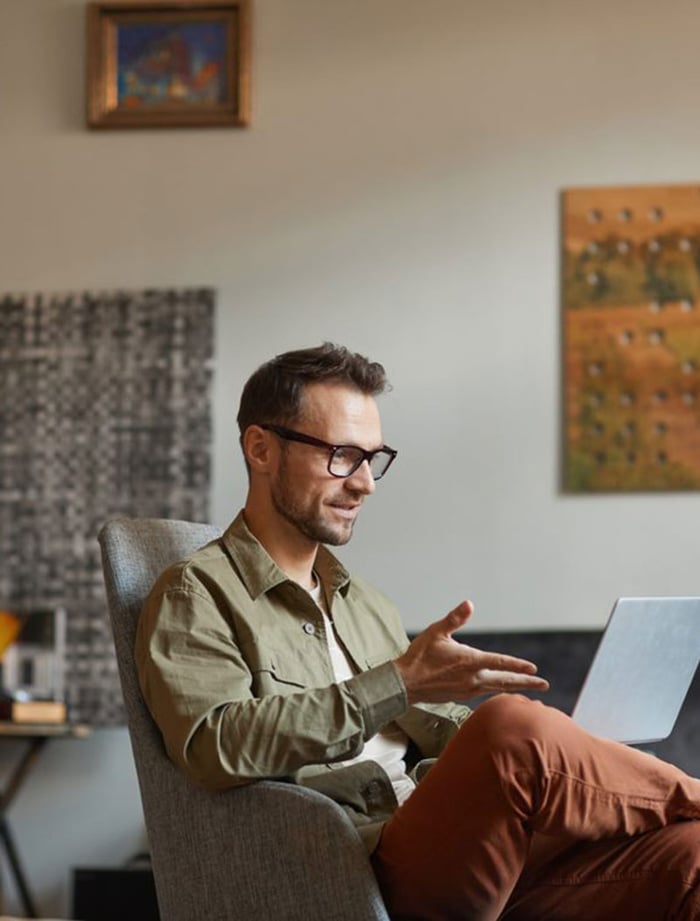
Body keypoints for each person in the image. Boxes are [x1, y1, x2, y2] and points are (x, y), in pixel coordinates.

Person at [136, 343, 700, 920]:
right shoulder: (196, 594)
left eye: (372, 459)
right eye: (342, 456)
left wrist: (572, 755)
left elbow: (431, 721)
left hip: (459, 842)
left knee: (689, 854)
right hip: (354, 862)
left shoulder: (363, 603)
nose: (365, 484)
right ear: (261, 449)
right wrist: (405, 687)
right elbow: (212, 746)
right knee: (511, 725)